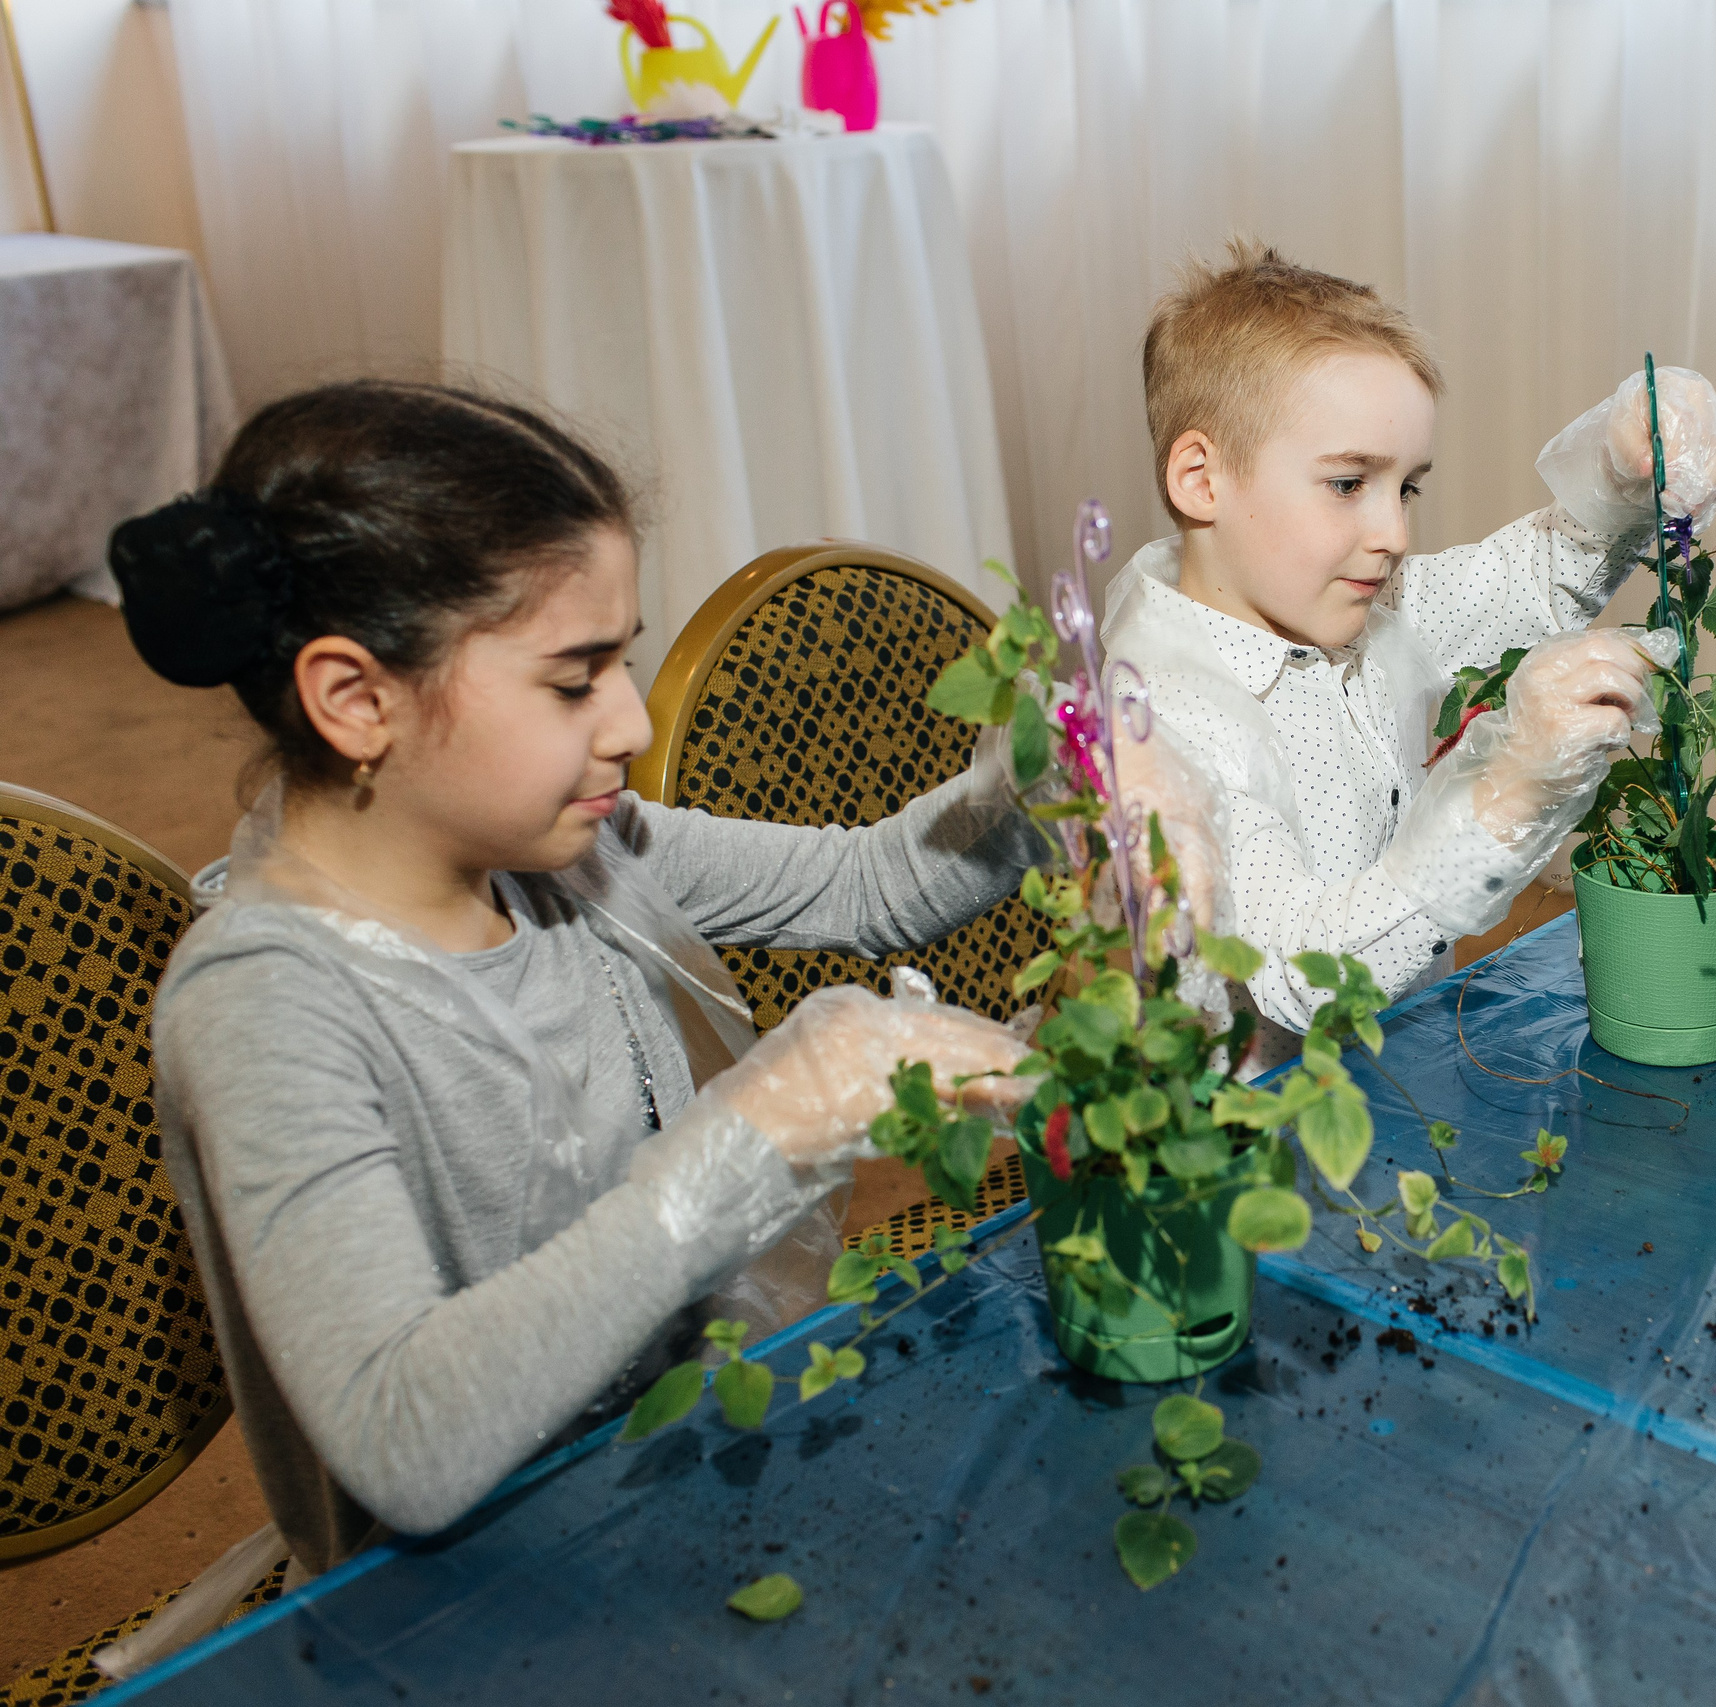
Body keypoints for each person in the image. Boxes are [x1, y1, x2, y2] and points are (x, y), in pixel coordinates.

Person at [117, 382, 1043, 1576]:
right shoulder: (266, 1007)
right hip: (472, 1606)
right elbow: (406, 1439)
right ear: (357, 699)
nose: (627, 723)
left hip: (671, 1486)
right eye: (573, 679)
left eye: (623, 664)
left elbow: (867, 886)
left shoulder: (576, 856)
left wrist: (1052, 775)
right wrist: (769, 1120)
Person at [1103, 240, 1716, 1061]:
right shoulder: (1167, 719)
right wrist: (1510, 793)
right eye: (1349, 484)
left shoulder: (1355, 608)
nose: (1395, 534)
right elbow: (1304, 974)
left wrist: (1622, 465)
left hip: (1398, 1086)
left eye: (1405, 487)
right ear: (1201, 479)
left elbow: (1530, 581)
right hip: (1257, 1154)